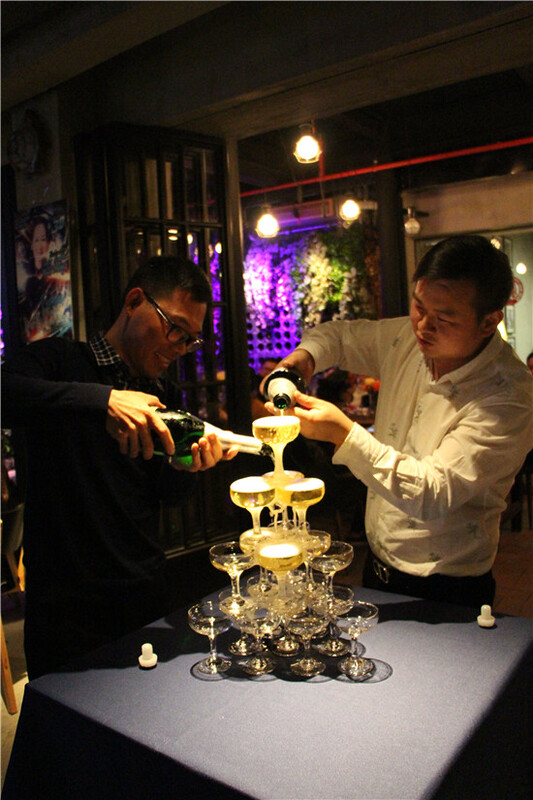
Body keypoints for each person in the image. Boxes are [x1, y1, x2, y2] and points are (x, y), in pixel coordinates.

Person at [263, 235, 533, 608]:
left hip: (448, 587)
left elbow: (434, 492)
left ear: (489, 322)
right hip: (376, 567)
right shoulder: (406, 338)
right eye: (419, 306)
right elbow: (338, 337)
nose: (423, 326)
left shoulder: (509, 396)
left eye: (444, 318)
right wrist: (301, 362)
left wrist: (344, 434)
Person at [2, 255, 237, 678]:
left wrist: (188, 468)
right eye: (175, 328)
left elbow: (165, 493)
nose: (179, 348)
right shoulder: (59, 361)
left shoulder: (163, 394)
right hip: (65, 606)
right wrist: (104, 401)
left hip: (144, 593)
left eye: (190, 340)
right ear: (134, 302)